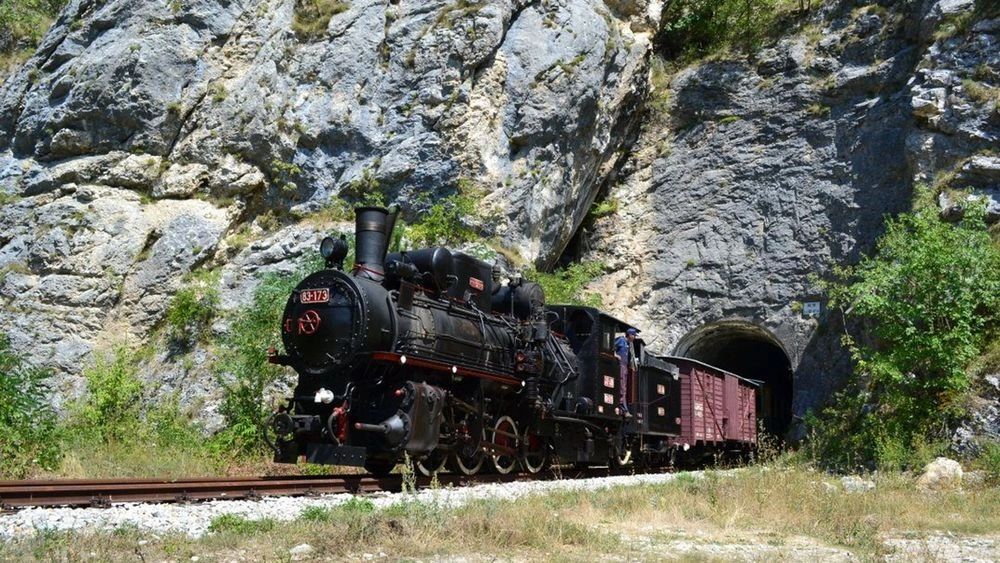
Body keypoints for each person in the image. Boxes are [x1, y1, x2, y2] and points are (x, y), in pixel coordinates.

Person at [614, 328, 638, 417]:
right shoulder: (621, 340)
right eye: (634, 335)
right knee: (622, 388)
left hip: (624, 367)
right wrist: (615, 355)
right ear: (630, 335)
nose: (634, 337)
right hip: (620, 366)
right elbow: (612, 347)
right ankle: (623, 409)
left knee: (624, 388)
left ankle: (624, 408)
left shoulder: (628, 344)